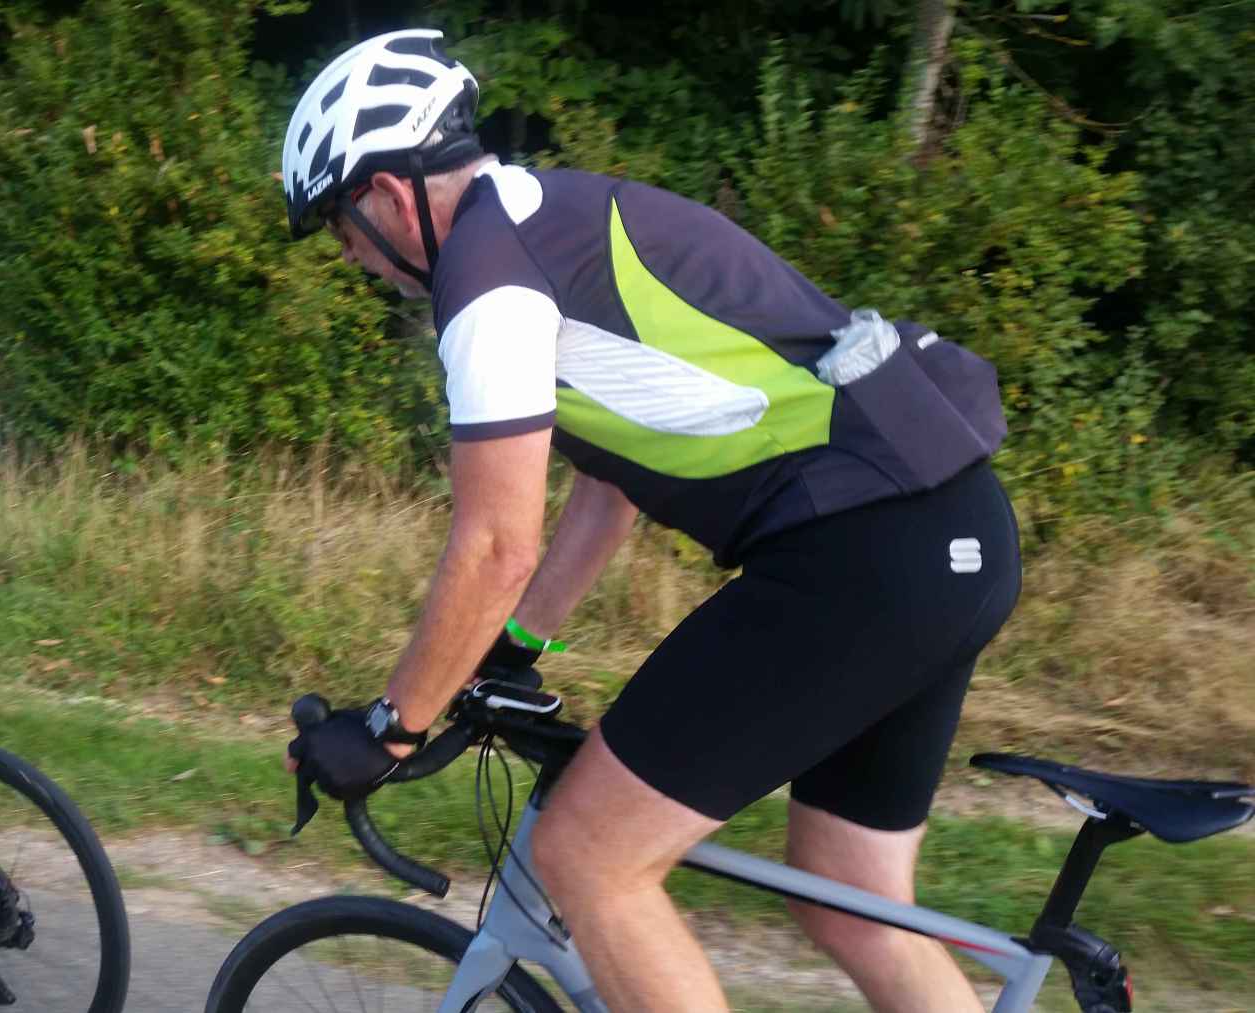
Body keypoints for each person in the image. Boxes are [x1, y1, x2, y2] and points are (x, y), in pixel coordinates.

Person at [279, 29, 1020, 1012]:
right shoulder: (556, 224)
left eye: (338, 225)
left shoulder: (489, 281)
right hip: (952, 536)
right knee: (853, 897)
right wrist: (515, 646)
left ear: (385, 193)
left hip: (861, 556)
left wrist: (389, 727)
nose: (349, 255)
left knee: (589, 855)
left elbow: (495, 544)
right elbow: (608, 490)